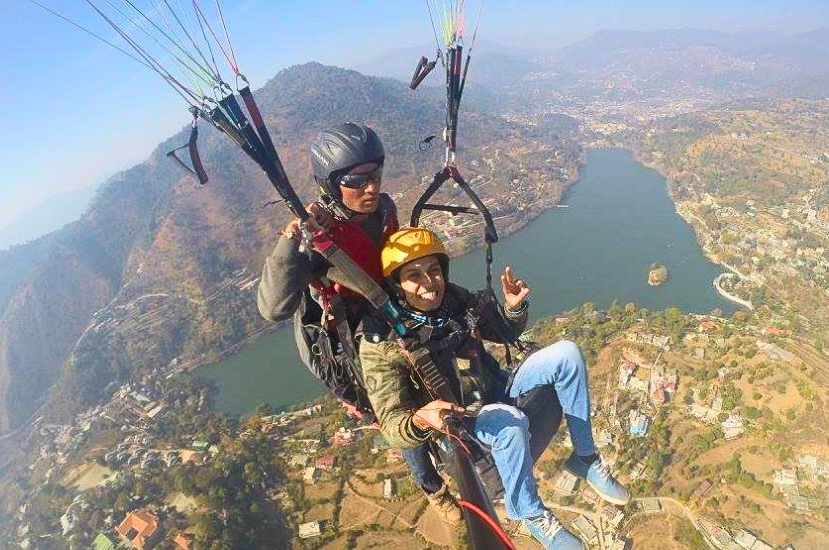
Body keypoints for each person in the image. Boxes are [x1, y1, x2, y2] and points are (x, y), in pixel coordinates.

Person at [360, 228, 630, 550]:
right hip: (463, 421)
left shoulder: (454, 302)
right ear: (396, 285)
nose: (429, 282)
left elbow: (502, 332)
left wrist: (513, 308)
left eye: (433, 270)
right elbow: (391, 426)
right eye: (413, 275)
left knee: (567, 355)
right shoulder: (382, 342)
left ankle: (585, 458)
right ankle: (531, 515)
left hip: (498, 388)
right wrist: (420, 420)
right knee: (510, 424)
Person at [256, 122, 461, 524]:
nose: (370, 187)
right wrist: (291, 241)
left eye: (376, 175)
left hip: (395, 318)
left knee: (438, 382)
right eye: (356, 180)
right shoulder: (317, 237)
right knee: (396, 415)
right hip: (355, 344)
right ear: (331, 184)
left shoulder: (384, 209)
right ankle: (432, 488)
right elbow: (274, 307)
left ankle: (461, 449)